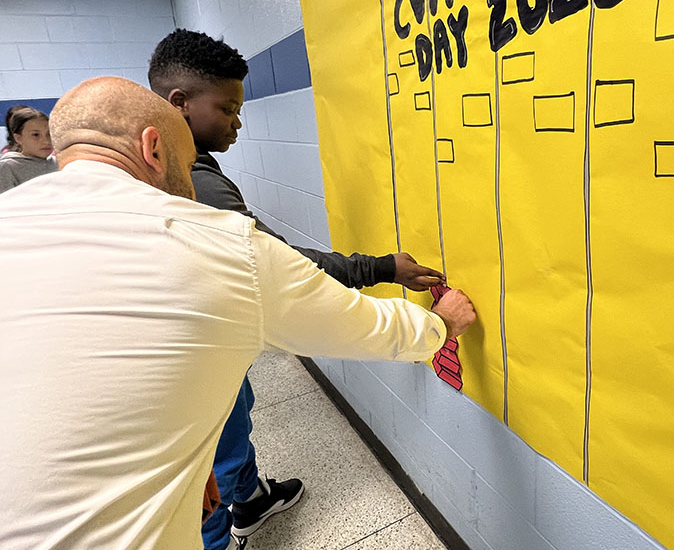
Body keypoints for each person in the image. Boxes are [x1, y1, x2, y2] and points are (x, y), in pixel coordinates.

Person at [0, 76, 476, 550]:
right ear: (154, 149)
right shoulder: (221, 245)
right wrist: (442, 323)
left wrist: (193, 460)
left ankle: (248, 496)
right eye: (188, 165)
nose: (191, 184)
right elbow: (370, 329)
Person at [148, 29, 448, 549]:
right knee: (213, 452)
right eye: (228, 108)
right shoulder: (199, 183)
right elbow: (281, 267)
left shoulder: (163, 174)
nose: (239, 122)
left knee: (232, 413)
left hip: (193, 340)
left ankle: (252, 499)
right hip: (192, 352)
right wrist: (380, 268)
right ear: (180, 104)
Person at [0, 105, 57, 193]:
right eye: (35, 135)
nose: (46, 141)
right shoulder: (8, 167)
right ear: (19, 138)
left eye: (49, 134)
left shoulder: (59, 163)